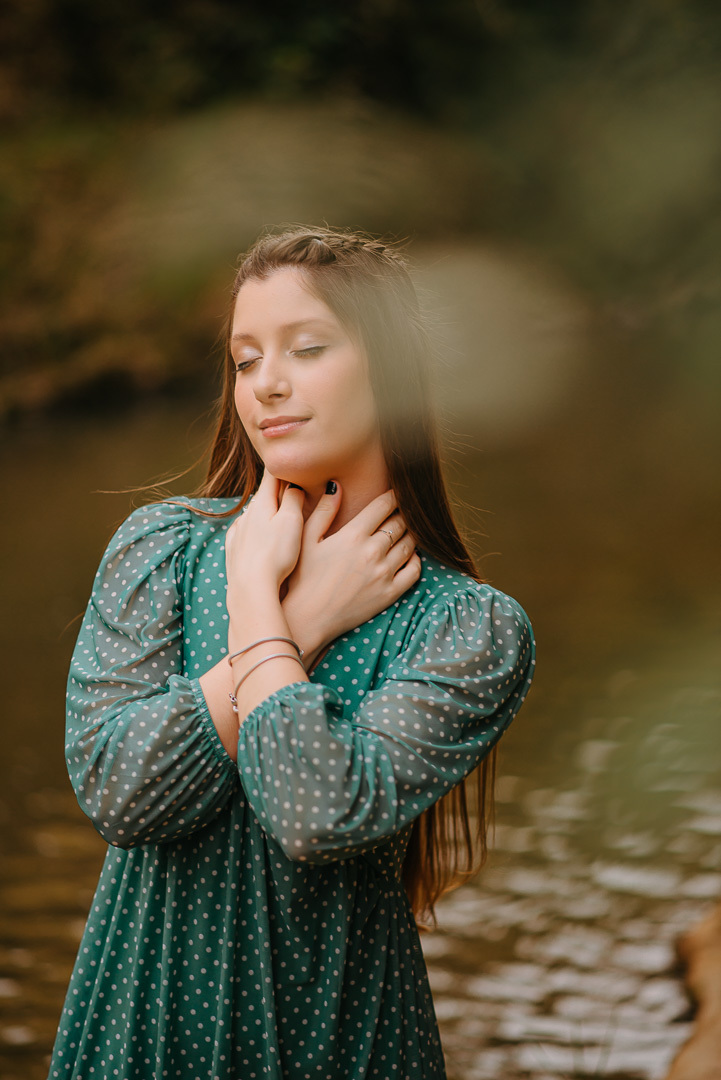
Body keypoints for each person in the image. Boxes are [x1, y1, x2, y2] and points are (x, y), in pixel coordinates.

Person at [48, 226, 535, 1079]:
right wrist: (282, 612)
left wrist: (260, 621)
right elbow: (117, 790)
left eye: (306, 349)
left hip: (338, 1041)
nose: (266, 383)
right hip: (141, 1030)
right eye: (244, 360)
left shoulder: (467, 630)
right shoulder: (162, 551)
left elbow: (317, 812)